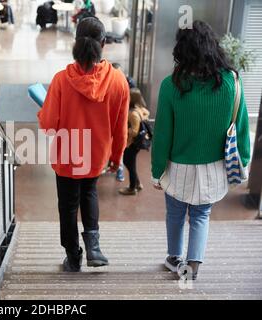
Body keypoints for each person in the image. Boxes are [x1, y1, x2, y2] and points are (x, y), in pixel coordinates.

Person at [151, 21, 251, 280]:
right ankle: (193, 265)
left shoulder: (171, 86)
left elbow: (162, 134)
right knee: (200, 215)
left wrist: (157, 170)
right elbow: (241, 128)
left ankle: (174, 258)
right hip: (214, 167)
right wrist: (245, 161)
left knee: (174, 213)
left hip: (178, 167)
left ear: (182, 53)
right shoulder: (232, 83)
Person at [38, 17, 130, 272]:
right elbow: (119, 126)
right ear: (103, 43)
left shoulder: (61, 80)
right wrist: (116, 156)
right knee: (89, 192)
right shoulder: (118, 81)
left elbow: (47, 124)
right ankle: (94, 247)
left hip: (67, 155)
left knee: (68, 205)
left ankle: (73, 256)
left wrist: (43, 112)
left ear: (76, 42)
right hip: (96, 154)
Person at [119, 88, 150, 195]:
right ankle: (137, 184)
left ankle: (132, 188)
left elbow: (135, 132)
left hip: (132, 143)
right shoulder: (142, 109)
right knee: (130, 163)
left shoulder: (133, 113)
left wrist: (125, 129)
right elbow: (146, 113)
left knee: (129, 164)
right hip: (136, 144)